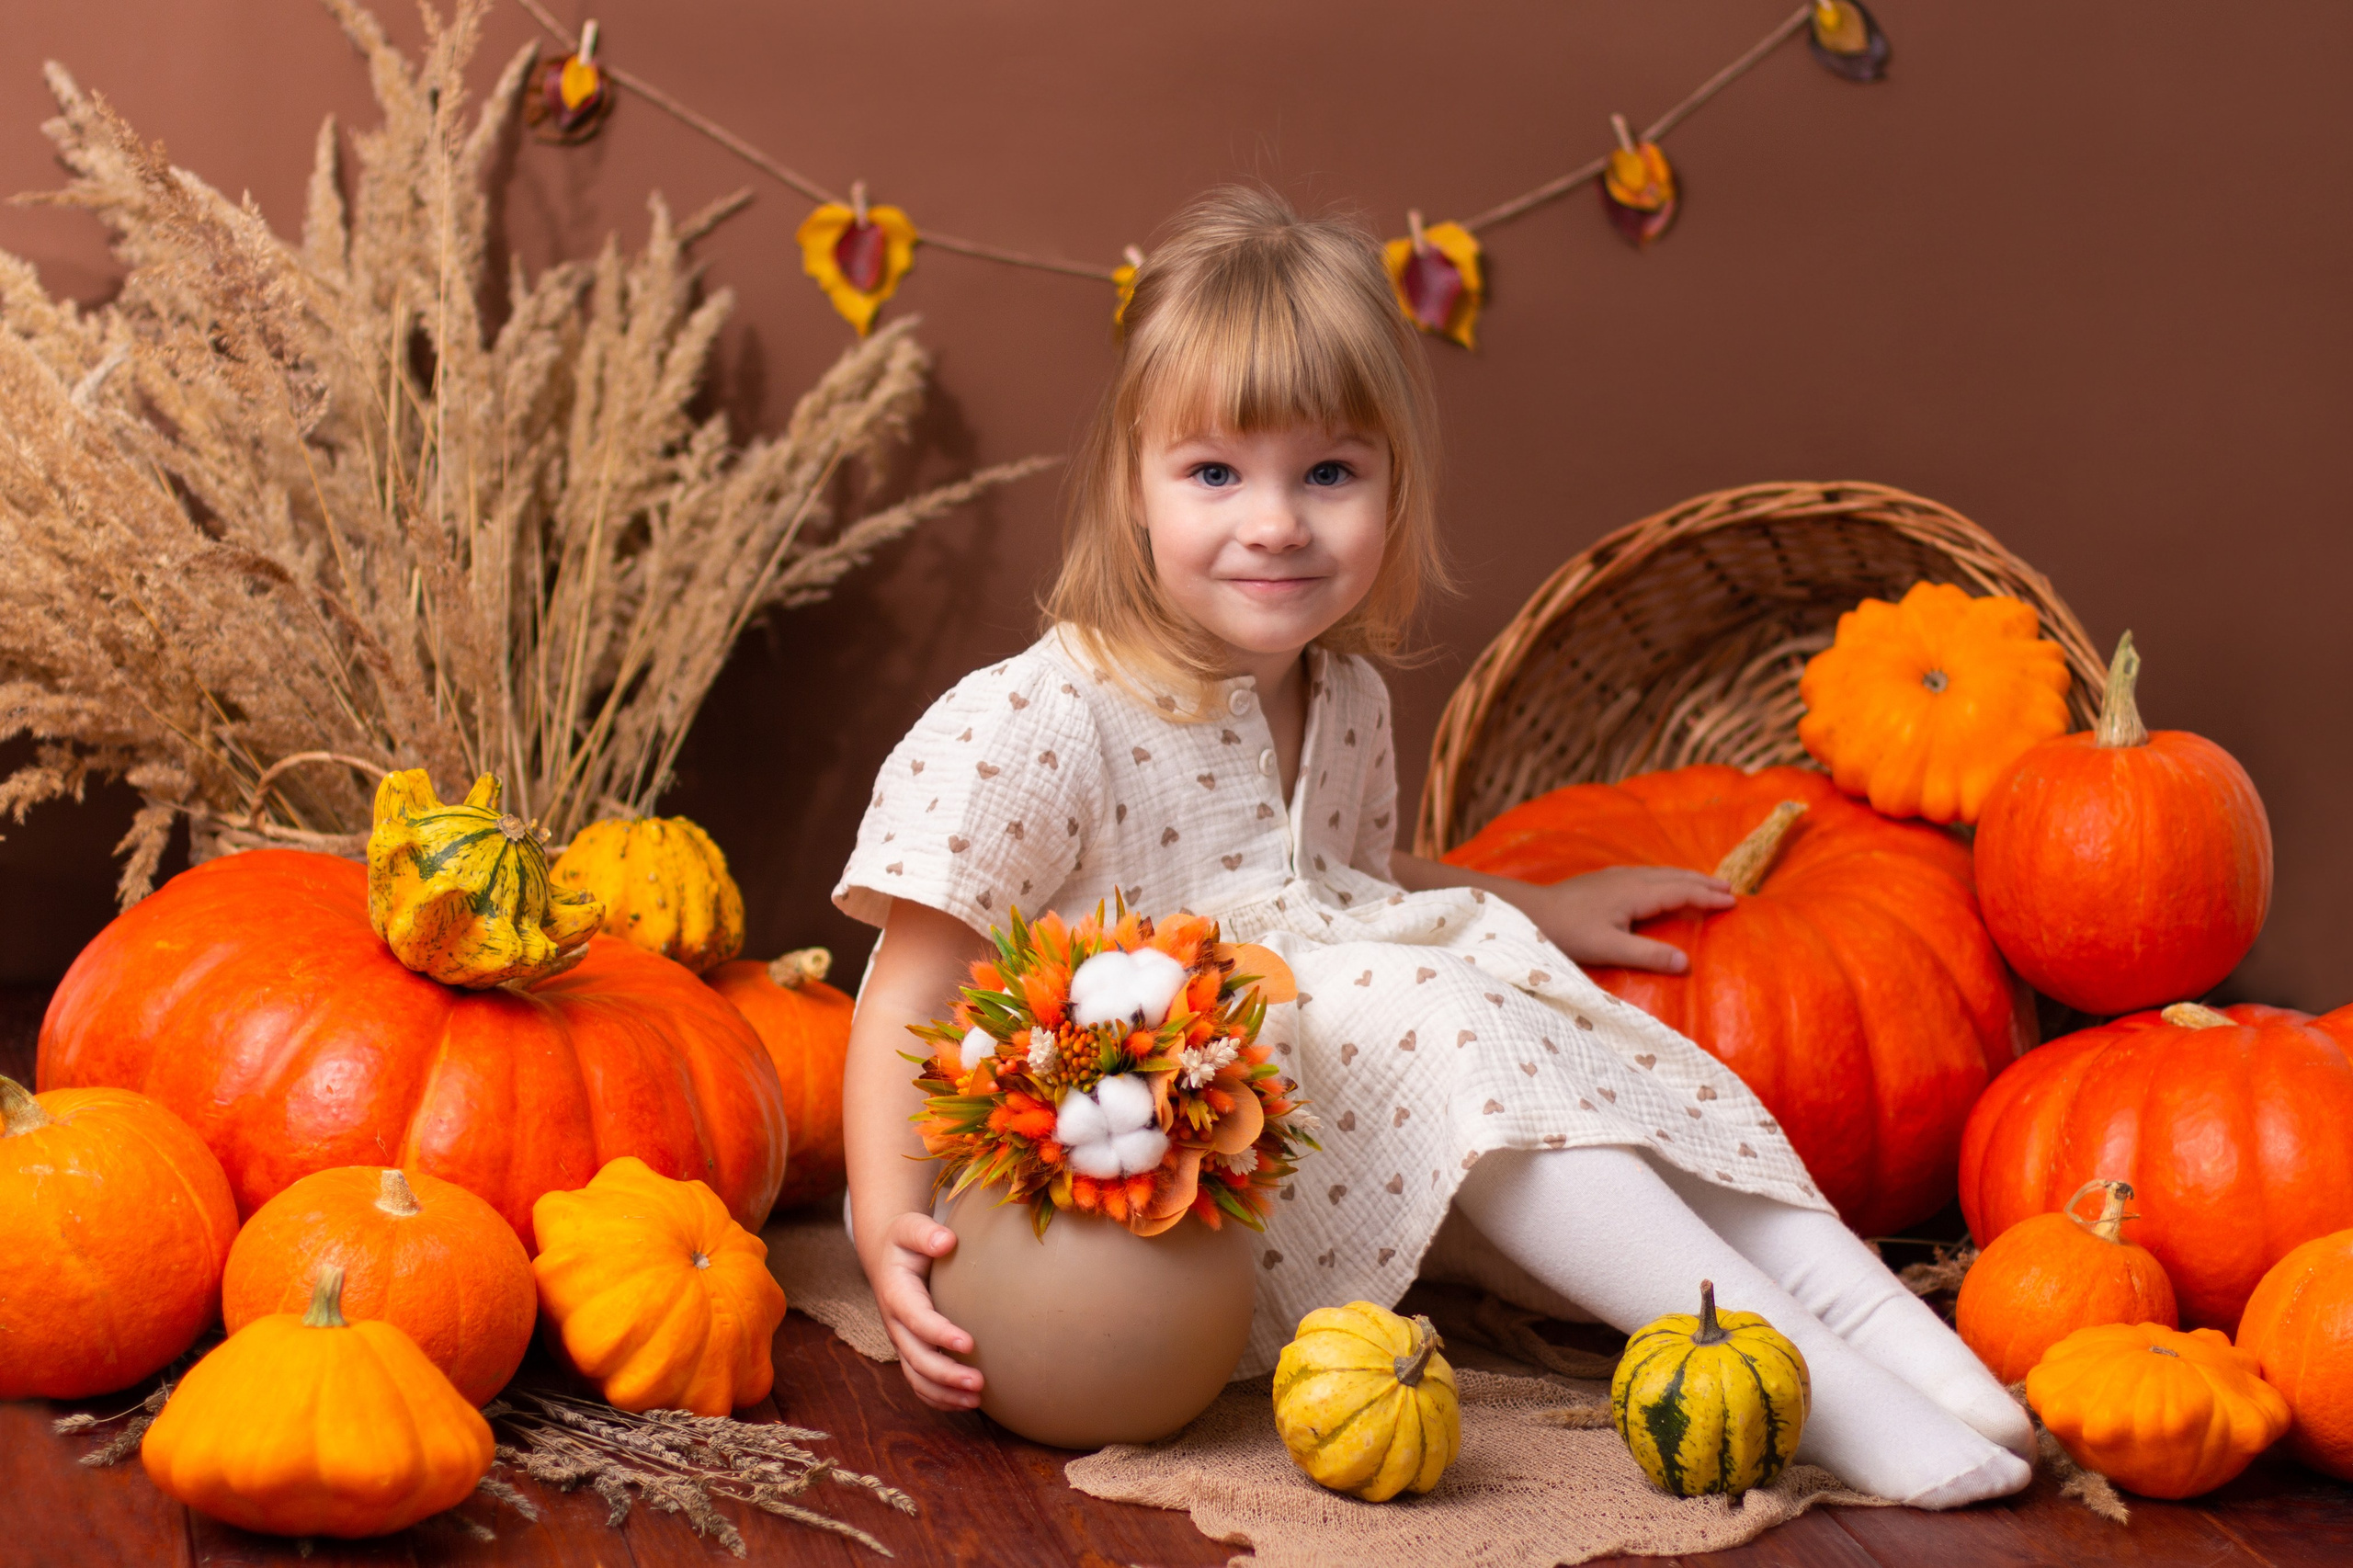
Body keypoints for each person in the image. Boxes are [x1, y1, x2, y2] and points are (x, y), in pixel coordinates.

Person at [833, 187, 2031, 1506]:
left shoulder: (1341, 692)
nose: (1276, 522)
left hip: (1333, 1111)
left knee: (1574, 1047)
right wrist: (884, 1218)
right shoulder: (1050, 715)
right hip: (1129, 1177)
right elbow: (912, 977)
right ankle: (1809, 1378)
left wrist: (1534, 904)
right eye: (1216, 473)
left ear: (1394, 488)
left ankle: (1879, 1326)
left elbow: (1341, 884)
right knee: (1438, 1011)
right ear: (1133, 486)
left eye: (1329, 474)